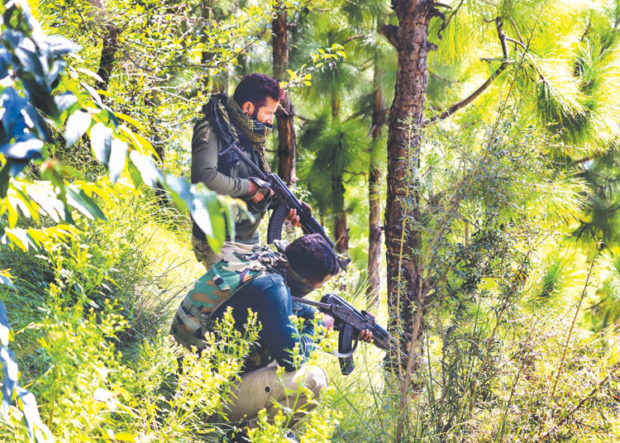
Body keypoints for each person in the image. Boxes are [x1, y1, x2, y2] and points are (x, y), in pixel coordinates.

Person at [170, 234, 372, 426]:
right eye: (317, 286)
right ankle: (245, 435)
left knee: (277, 350)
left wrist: (322, 316)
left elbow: (286, 306)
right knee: (313, 381)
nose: (315, 291)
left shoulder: (260, 262)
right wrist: (319, 327)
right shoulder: (273, 289)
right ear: (305, 281)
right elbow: (293, 358)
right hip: (199, 400)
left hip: (180, 374)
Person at [191, 73, 302, 269]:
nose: (270, 121)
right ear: (248, 107)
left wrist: (287, 205)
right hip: (218, 241)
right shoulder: (211, 129)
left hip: (249, 241)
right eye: (268, 113)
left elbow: (262, 185)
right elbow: (204, 178)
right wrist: (250, 187)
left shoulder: (251, 135)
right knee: (258, 294)